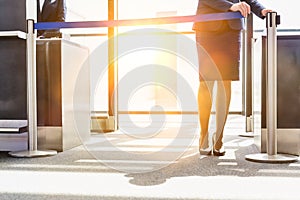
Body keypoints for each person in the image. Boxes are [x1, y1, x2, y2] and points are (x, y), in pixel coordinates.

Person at [193, 0, 272, 156]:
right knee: (206, 82)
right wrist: (230, 6)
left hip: (230, 29)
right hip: (207, 26)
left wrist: (261, 10)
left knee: (225, 81)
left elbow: (248, 1)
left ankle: (219, 138)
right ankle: (203, 135)